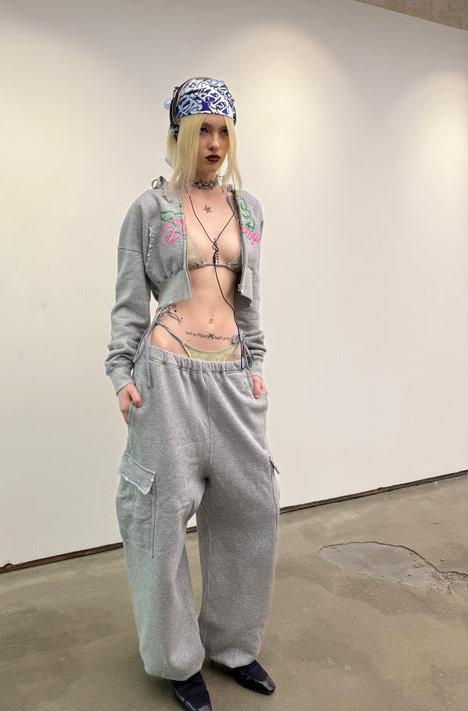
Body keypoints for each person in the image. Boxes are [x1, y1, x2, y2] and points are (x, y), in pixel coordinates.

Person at [105, 77, 279, 711]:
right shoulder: (149, 210)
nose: (214, 142)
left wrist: (256, 363)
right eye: (201, 129)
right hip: (167, 377)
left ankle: (232, 646)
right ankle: (178, 659)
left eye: (223, 130)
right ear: (179, 134)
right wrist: (121, 374)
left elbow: (247, 300)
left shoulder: (248, 209)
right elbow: (130, 300)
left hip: (232, 377)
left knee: (251, 509)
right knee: (160, 516)